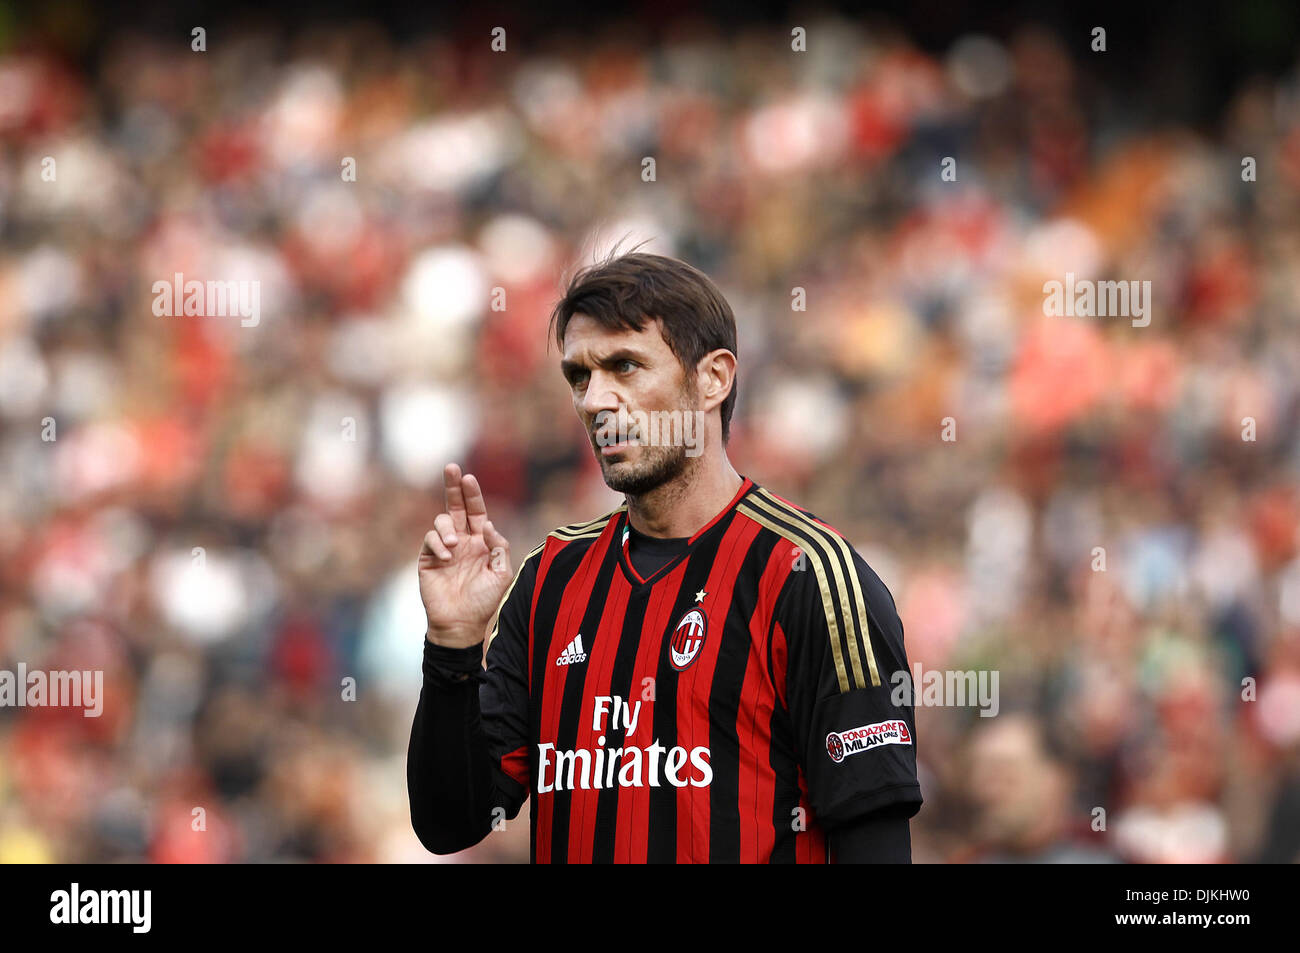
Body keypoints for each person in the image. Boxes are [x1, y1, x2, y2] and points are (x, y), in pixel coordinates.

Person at [407, 251, 922, 862]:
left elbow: (874, 839)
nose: (596, 400)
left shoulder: (808, 574)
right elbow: (449, 823)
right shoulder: (550, 577)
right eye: (579, 376)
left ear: (714, 379)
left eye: (625, 366)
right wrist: (453, 645)